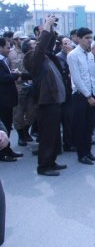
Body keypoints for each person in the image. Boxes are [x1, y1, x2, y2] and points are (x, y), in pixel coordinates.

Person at [23, 14, 67, 175]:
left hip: (54, 102)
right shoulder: (31, 59)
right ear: (28, 50)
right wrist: (46, 24)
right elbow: (42, 47)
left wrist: (51, 27)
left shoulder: (45, 57)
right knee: (47, 136)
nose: (38, 44)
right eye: (34, 44)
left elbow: (46, 45)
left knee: (54, 135)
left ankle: (52, 161)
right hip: (46, 103)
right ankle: (44, 166)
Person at [67, 27, 95, 165]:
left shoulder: (90, 55)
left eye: (90, 37)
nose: (89, 40)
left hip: (92, 94)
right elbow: (76, 79)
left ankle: (88, 152)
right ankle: (81, 154)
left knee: (89, 126)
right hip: (81, 96)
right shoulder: (73, 55)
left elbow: (94, 76)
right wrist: (88, 96)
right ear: (79, 38)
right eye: (86, 38)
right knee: (80, 126)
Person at [8, 32, 36, 146]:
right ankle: (21, 135)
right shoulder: (10, 54)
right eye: (21, 39)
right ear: (15, 40)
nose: (23, 40)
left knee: (32, 113)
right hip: (18, 87)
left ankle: (26, 132)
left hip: (30, 86)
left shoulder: (30, 52)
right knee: (18, 114)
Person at [0, 37, 23, 162]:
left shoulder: (3, 60)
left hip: (7, 100)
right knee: (3, 128)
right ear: (1, 47)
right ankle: (3, 152)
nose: (10, 50)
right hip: (3, 101)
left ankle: (8, 150)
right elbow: (2, 78)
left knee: (8, 126)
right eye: (8, 47)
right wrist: (15, 75)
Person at [56, 37, 76, 152]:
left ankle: (71, 141)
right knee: (66, 119)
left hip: (72, 91)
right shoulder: (59, 57)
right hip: (64, 92)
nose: (66, 45)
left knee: (72, 119)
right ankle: (67, 143)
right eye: (64, 43)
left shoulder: (74, 54)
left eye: (68, 43)